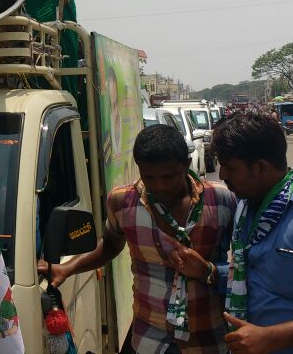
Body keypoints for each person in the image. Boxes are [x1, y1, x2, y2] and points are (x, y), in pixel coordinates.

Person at [169, 111, 293, 353]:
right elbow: (255, 278)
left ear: (261, 167)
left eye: (230, 168)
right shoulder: (247, 208)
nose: (221, 176)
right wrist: (208, 271)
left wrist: (270, 337)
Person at [38, 125, 236, 353]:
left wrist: (208, 270)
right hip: (150, 338)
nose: (159, 186)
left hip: (207, 338)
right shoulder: (122, 202)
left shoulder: (221, 200)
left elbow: (243, 265)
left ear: (187, 163)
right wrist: (69, 268)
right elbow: (110, 246)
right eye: (148, 177)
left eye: (168, 176)